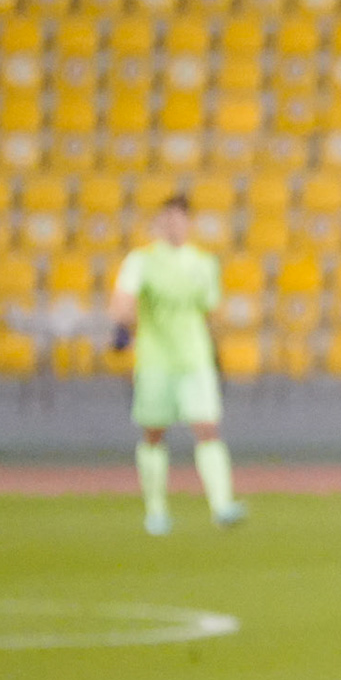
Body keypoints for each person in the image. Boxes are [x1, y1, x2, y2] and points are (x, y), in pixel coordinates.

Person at [108, 193, 246, 535]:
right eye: (167, 219)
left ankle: (222, 505)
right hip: (156, 360)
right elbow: (122, 301)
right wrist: (122, 326)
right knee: (154, 432)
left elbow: (212, 311)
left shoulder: (203, 264)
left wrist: (217, 354)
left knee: (207, 427)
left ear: (189, 224)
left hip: (194, 359)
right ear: (159, 223)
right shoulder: (141, 261)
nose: (173, 225)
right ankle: (155, 510)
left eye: (179, 219)